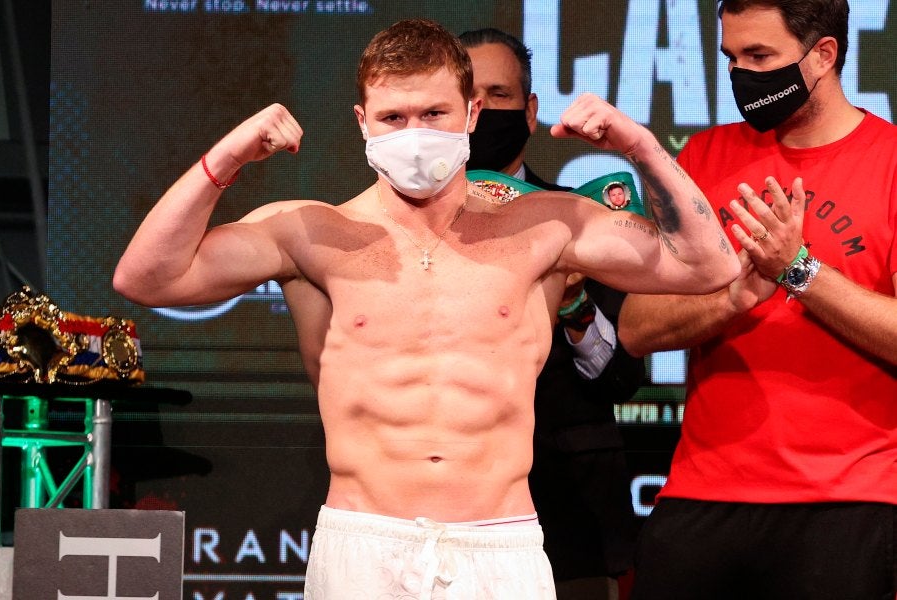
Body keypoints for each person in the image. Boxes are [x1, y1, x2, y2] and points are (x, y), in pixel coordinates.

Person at [114, 18, 739, 599]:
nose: (414, 134)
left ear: (470, 113)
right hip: (364, 544)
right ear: (363, 121)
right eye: (393, 117)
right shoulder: (310, 232)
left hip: (501, 541)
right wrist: (226, 160)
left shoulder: (546, 225)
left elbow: (706, 266)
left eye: (434, 113)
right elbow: (147, 277)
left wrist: (640, 148)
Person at [617, 1, 897, 598]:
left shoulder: (891, 162)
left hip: (847, 500)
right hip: (701, 493)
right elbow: (637, 328)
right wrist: (732, 298)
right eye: (731, 57)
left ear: (823, 54)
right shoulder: (700, 160)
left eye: (760, 56)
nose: (742, 74)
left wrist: (798, 271)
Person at [460, 27, 642, 600]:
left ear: (531, 110)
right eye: (470, 98)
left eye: (501, 95)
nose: (485, 112)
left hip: (565, 521)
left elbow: (622, 377)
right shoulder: (384, 228)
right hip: (426, 512)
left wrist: (573, 300)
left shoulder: (583, 220)